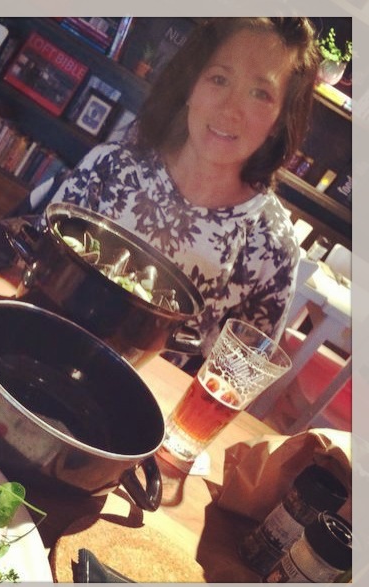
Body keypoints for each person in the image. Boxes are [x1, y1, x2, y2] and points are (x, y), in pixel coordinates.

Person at [47, 17, 321, 370]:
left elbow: (240, 370)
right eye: (219, 79)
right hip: (50, 344)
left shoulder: (273, 247)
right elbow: (37, 263)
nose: (230, 109)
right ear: (191, 85)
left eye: (260, 94)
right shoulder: (112, 166)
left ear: (280, 121)